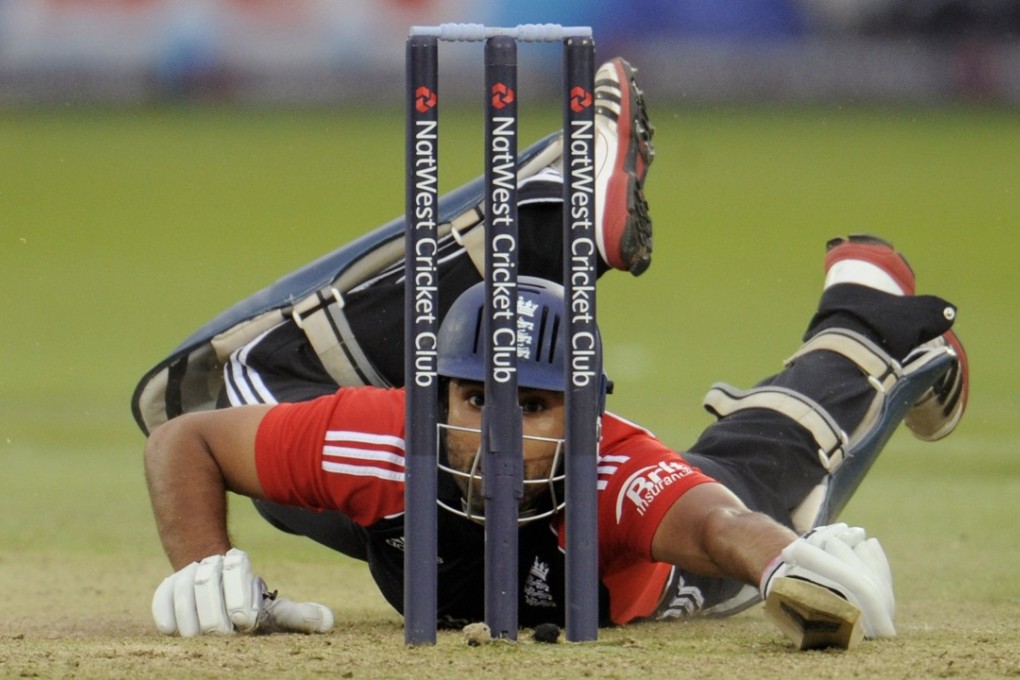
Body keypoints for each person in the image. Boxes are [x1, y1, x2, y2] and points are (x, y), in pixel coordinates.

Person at [139, 60, 969, 650]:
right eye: (477, 399)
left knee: (762, 476)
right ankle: (546, 215)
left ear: (587, 416)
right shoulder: (387, 435)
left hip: (674, 578)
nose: (503, 428)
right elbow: (186, 440)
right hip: (416, 527)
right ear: (432, 396)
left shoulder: (613, 474)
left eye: (535, 406)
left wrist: (786, 561)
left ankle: (877, 323)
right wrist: (210, 567)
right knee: (190, 398)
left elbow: (720, 528)